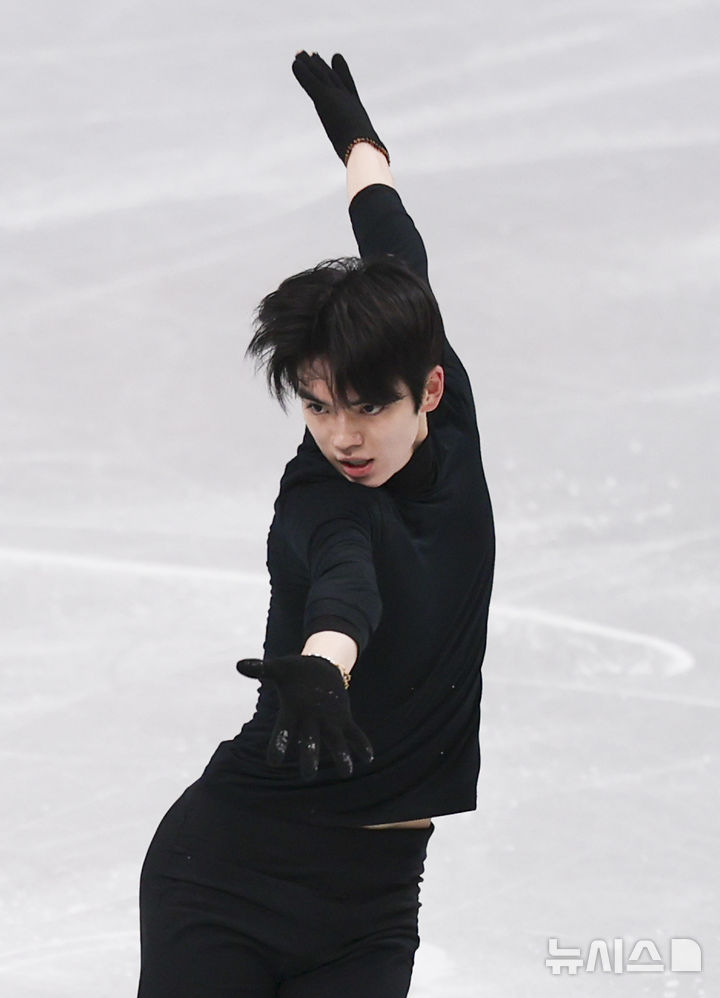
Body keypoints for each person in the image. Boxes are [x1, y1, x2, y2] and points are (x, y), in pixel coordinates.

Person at [136, 50, 495, 998]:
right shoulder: (321, 498)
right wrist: (326, 664)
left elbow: (392, 241)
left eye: (368, 408)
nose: (342, 435)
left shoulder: (437, 393)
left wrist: (358, 143)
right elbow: (346, 589)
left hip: (373, 909)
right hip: (224, 878)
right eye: (317, 406)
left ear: (431, 390)